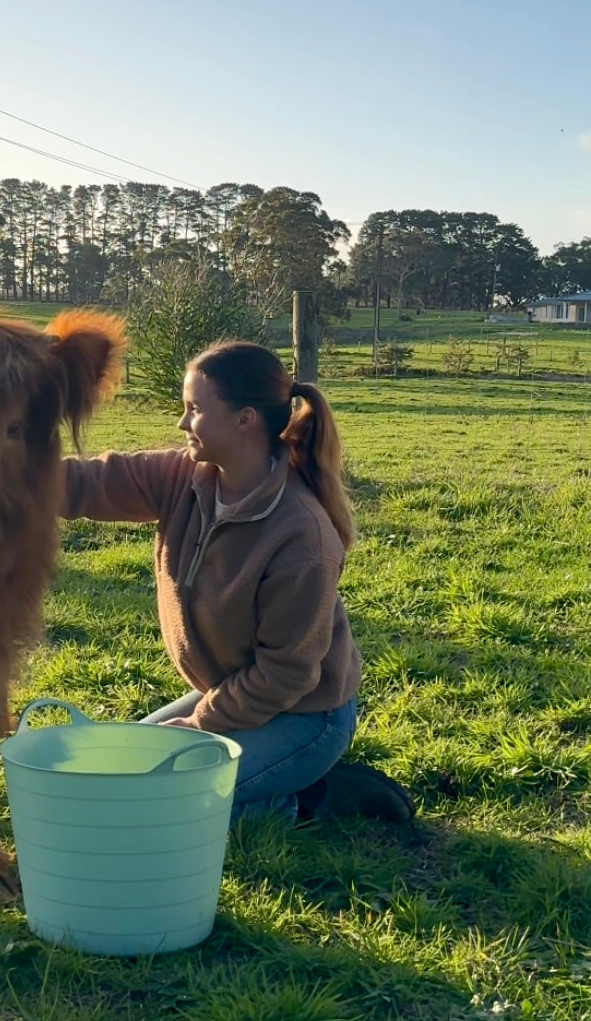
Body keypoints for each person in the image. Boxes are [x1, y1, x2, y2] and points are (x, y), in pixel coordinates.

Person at [60, 340, 413, 825]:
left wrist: (202, 724)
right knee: (117, 773)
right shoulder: (185, 477)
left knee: (150, 808)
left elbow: (287, 675)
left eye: (195, 409)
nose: (183, 423)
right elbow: (95, 482)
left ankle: (312, 798)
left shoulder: (301, 536)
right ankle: (274, 780)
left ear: (244, 419)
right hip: (236, 696)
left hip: (305, 716)